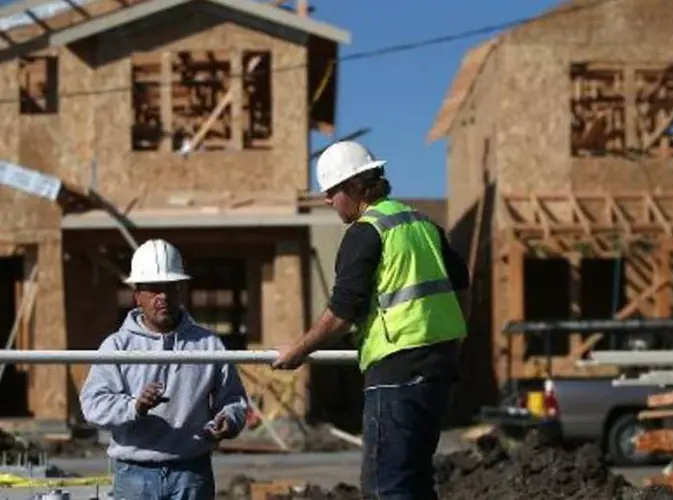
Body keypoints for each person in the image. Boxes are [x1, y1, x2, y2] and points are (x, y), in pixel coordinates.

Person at [273, 141, 470, 499]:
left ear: (355, 187)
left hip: (397, 370)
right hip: (440, 370)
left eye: (332, 191)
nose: (328, 200)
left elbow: (342, 314)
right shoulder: (422, 224)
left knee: (386, 486)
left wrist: (297, 351)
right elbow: (461, 285)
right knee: (416, 480)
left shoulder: (366, 233)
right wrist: (447, 338)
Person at [80, 239, 249, 500]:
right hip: (134, 475)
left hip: (191, 473)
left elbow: (234, 400)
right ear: (137, 296)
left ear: (181, 291)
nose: (163, 297)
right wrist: (135, 406)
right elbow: (93, 405)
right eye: (154, 289)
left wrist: (229, 420)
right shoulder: (117, 346)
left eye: (170, 288)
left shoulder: (208, 345)